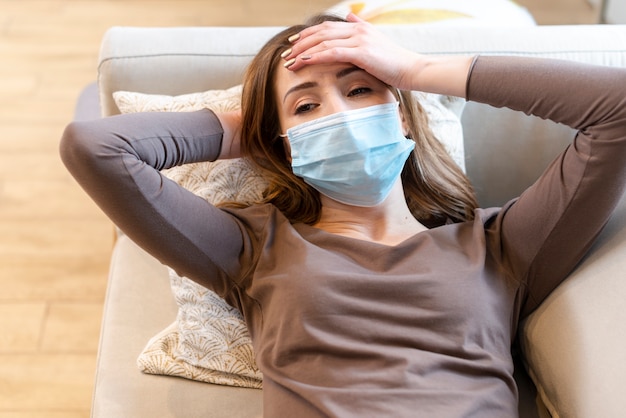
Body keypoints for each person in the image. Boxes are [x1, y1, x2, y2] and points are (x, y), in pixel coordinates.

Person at [60, 13, 626, 418]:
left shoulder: (500, 246)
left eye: (361, 90)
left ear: (404, 116)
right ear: (281, 144)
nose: (339, 112)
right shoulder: (253, 249)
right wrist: (254, 124)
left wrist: (417, 69)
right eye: (307, 105)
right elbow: (96, 149)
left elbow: (617, 110)